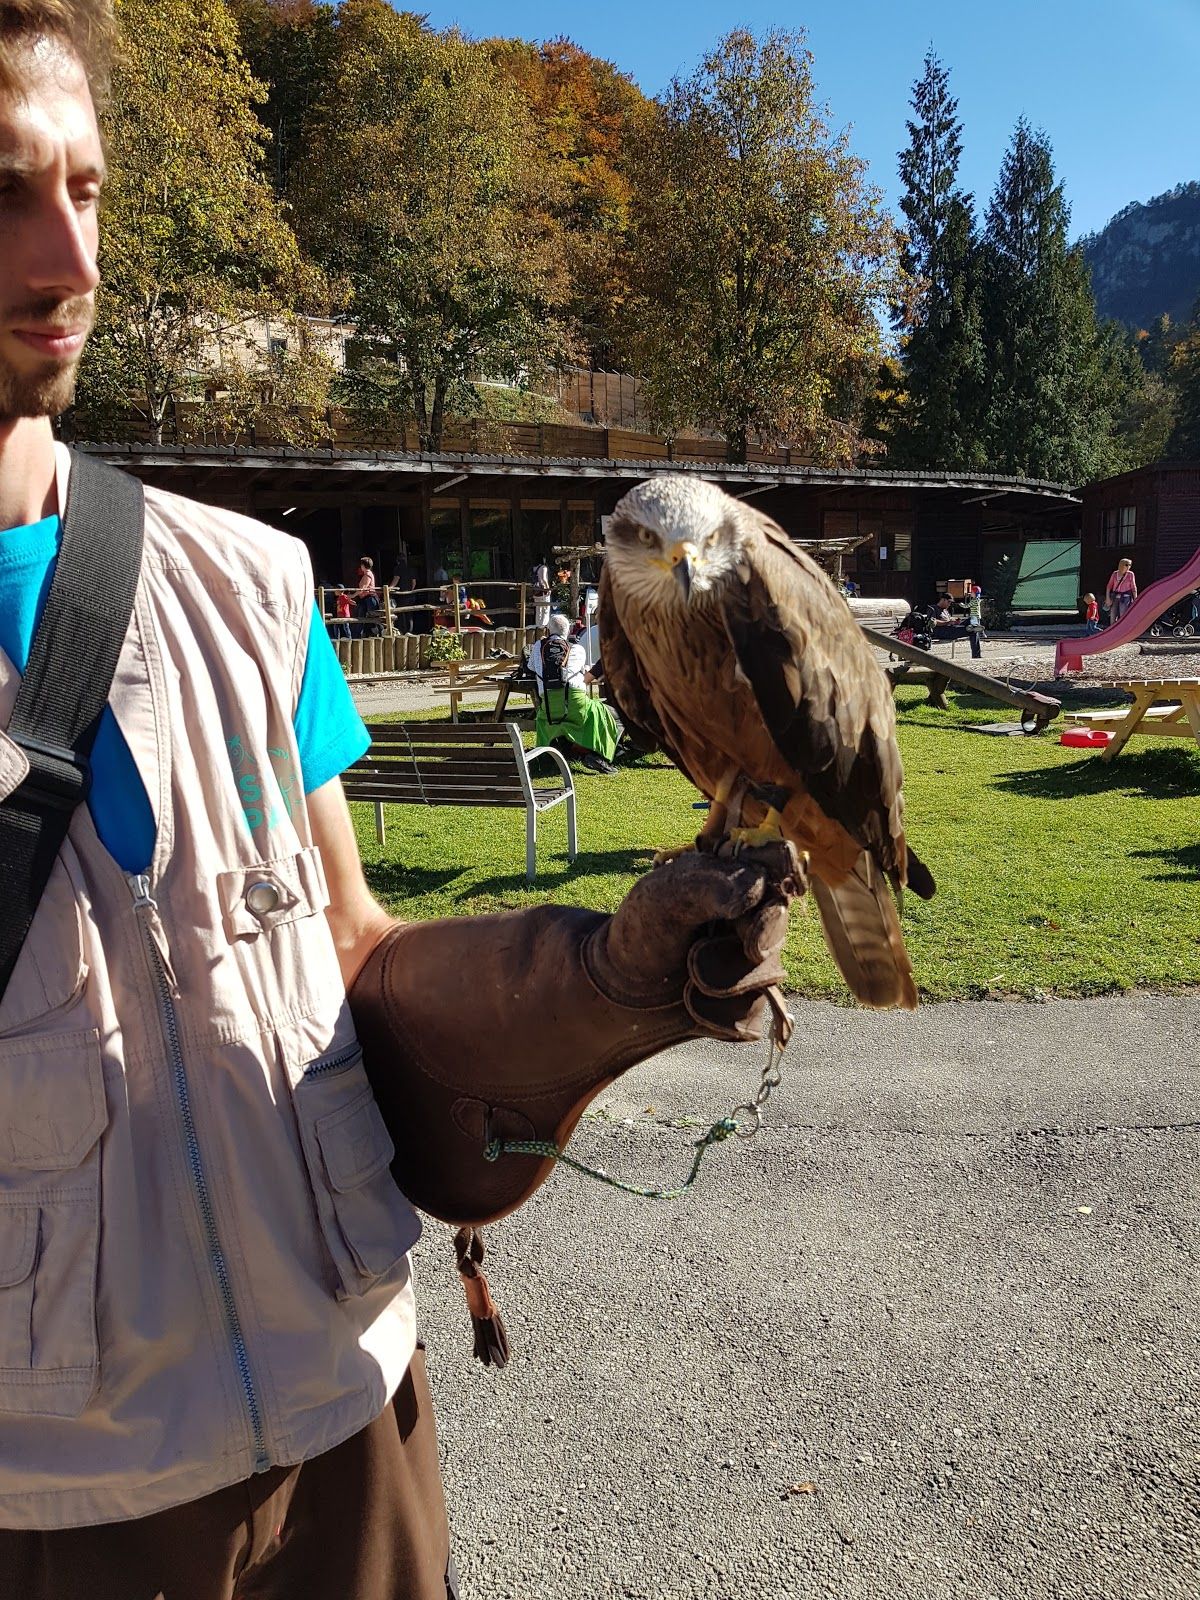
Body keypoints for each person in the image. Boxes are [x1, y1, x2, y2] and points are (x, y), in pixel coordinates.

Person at [0, 14, 797, 1593]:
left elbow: (352, 961)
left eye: (89, 190)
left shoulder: (241, 583)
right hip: (53, 1504)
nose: (68, 255)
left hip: (359, 1431)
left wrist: (601, 975)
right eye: (7, 192)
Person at [529, 615, 621, 774]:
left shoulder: (538, 647)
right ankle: (597, 755)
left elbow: (531, 667)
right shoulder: (577, 649)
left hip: (549, 708)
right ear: (569, 631)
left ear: (548, 630)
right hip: (575, 702)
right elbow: (582, 671)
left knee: (546, 719)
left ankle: (549, 755)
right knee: (600, 712)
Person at [389, 548, 417, 634]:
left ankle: (402, 630)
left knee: (400, 613)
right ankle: (410, 631)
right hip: (410, 594)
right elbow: (414, 582)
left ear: (397, 560)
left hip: (402, 594)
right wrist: (411, 591)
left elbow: (396, 580)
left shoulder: (398, 568)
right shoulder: (410, 568)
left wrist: (389, 588)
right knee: (409, 613)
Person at [1105, 557, 1137, 624]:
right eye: (1127, 565)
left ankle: (1122, 630)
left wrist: (1135, 599)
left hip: (1125, 597)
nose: (1129, 566)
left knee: (1123, 614)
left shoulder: (1130, 574)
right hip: (1115, 596)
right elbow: (1109, 586)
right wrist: (1107, 598)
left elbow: (1133, 588)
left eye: (1130, 565)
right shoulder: (1115, 574)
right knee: (1112, 614)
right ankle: (1112, 629)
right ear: (1121, 565)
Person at [530, 552, 551, 629]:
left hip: (536, 590)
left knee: (538, 608)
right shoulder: (543, 567)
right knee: (545, 608)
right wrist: (548, 588)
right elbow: (544, 579)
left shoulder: (534, 568)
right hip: (543, 591)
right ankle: (544, 625)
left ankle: (537, 625)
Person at [966, 584, 984, 660]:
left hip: (974, 617)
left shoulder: (973, 600)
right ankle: (977, 654)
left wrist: (961, 605)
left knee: (973, 633)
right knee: (976, 635)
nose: (971, 593)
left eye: (972, 592)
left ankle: (975, 655)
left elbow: (967, 606)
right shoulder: (978, 600)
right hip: (977, 616)